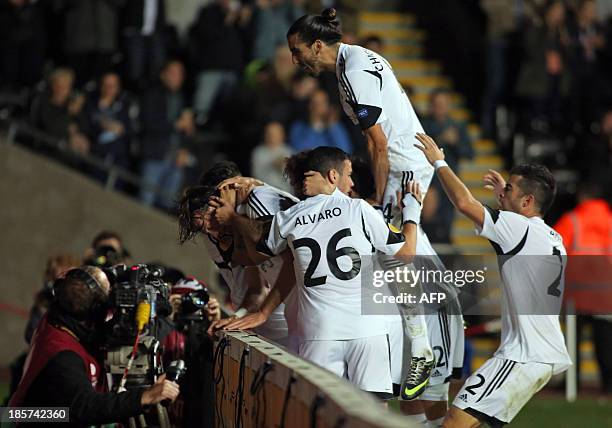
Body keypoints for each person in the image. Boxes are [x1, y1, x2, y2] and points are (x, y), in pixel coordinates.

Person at [207, 147, 428, 399]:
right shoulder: (360, 209)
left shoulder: (289, 216)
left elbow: (257, 250)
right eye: (349, 174)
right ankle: (421, 342)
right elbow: (407, 253)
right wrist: (412, 210)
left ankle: (420, 343)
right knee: (372, 411)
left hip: (319, 332)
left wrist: (232, 218)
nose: (352, 182)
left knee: (317, 412)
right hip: (369, 329)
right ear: (333, 176)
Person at [413, 133, 571, 427]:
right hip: (536, 353)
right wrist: (509, 198)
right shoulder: (551, 236)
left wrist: (438, 161)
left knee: (453, 424)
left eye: (509, 188)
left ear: (527, 201)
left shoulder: (518, 228)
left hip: (522, 355)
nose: (502, 192)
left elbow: (463, 202)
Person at [9, 266, 180, 426]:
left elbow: (93, 323)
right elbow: (85, 407)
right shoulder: (62, 355)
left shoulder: (60, 316)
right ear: (94, 311)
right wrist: (145, 396)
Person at [178, 161, 298, 346]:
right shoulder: (220, 225)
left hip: (294, 315)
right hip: (269, 316)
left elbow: (286, 260)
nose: (210, 228)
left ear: (229, 186)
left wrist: (234, 219)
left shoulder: (257, 200)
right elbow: (254, 271)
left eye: (215, 196)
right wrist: (238, 315)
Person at [139, 60, 195, 210]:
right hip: (155, 154)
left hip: (175, 158)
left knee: (166, 205)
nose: (178, 77)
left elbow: (188, 129)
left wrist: (185, 149)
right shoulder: (152, 94)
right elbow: (148, 122)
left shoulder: (182, 99)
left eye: (180, 74)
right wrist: (175, 125)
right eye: (173, 73)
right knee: (146, 200)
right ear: (163, 75)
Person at [421, 89, 474, 243]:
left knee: (446, 225)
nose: (440, 108)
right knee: (426, 223)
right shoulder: (423, 124)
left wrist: (455, 142)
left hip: (450, 182)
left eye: (443, 104)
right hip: (429, 182)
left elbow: (469, 153)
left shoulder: (457, 126)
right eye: (437, 104)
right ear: (431, 105)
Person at [79, 72, 132, 185]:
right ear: (101, 86)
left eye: (112, 86)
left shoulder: (124, 107)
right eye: (106, 85)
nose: (109, 89)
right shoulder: (90, 104)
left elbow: (130, 130)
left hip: (117, 159)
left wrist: (121, 129)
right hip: (95, 156)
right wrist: (101, 126)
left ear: (118, 88)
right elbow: (84, 127)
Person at [288, 89, 352, 153]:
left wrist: (332, 126)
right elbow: (299, 150)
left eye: (323, 102)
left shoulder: (336, 126)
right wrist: (314, 124)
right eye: (315, 103)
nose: (319, 106)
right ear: (309, 105)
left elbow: (345, 151)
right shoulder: (298, 126)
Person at [251, 121, 294, 193]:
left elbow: (291, 181)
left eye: (275, 134)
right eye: (269, 133)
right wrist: (272, 165)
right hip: (263, 192)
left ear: (282, 135)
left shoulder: (289, 152)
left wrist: (282, 167)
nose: (271, 136)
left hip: (284, 193)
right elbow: (256, 176)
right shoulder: (258, 152)